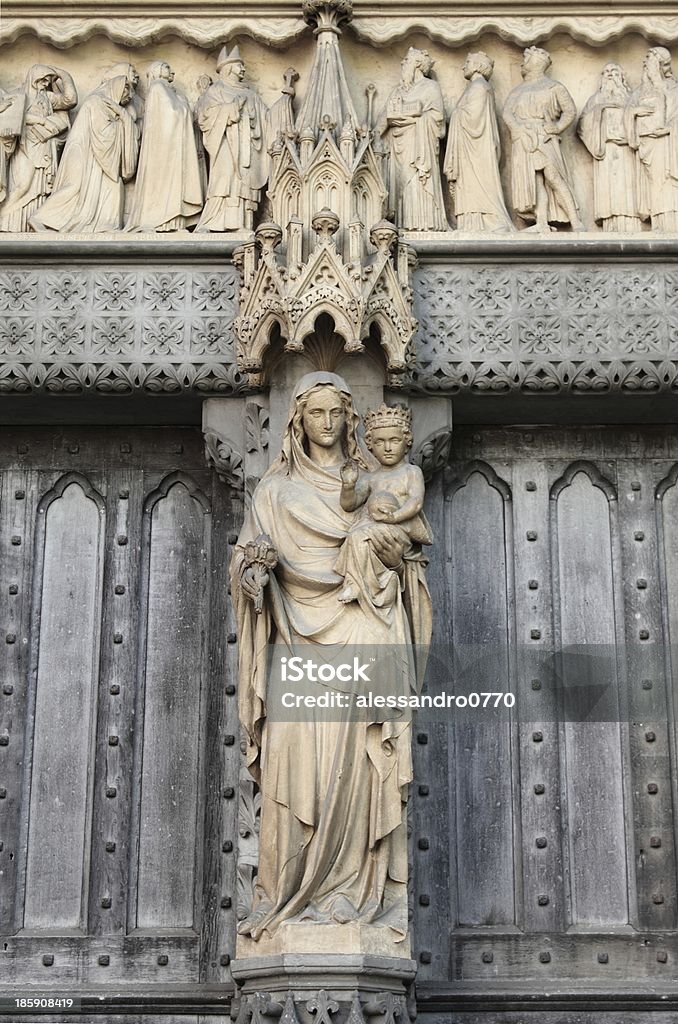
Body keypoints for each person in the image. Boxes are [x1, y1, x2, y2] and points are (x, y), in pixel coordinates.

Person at [230, 372, 432, 941]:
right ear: (298, 420)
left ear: (349, 420)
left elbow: (410, 561)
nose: (326, 424)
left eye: (335, 414)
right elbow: (246, 559)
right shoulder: (273, 493)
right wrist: (252, 572)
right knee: (300, 768)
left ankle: (356, 896)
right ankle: (294, 900)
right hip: (296, 639)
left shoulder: (373, 485)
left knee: (361, 768)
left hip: (364, 625)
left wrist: (395, 558)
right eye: (315, 413)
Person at [336, 403, 432, 612]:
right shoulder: (372, 478)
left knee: (360, 537)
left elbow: (415, 501)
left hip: (399, 530)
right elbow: (349, 504)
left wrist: (394, 517)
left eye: (394, 440)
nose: (387, 448)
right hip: (375, 528)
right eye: (380, 442)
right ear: (370, 445)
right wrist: (348, 485)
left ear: (407, 442)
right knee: (356, 539)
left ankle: (374, 582)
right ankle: (366, 582)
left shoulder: (411, 472)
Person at [30, 74, 139, 233]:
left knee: (113, 187)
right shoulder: (96, 101)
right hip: (87, 156)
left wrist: (123, 116)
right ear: (117, 89)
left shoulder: (109, 106)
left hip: (102, 160)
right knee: (73, 188)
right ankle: (39, 218)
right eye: (124, 96)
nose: (125, 101)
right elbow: (103, 133)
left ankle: (106, 225)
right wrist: (122, 117)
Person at [503, 46, 584, 231]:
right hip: (524, 139)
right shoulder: (518, 90)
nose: (523, 63)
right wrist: (519, 129)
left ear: (535, 63)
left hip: (544, 137)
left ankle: (575, 220)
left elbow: (570, 110)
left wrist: (556, 127)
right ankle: (541, 222)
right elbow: (507, 113)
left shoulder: (553, 87)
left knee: (553, 177)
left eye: (526, 59)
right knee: (535, 179)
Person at [196, 45, 269, 232]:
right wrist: (230, 109)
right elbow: (204, 116)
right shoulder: (216, 90)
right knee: (225, 180)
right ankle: (217, 222)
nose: (243, 69)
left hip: (247, 147)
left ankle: (242, 223)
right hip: (225, 145)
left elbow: (268, 118)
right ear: (228, 68)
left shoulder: (251, 94)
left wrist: (286, 99)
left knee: (244, 182)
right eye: (239, 65)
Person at [125, 61, 203, 232]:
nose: (171, 71)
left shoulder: (165, 90)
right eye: (167, 67)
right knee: (167, 183)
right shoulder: (158, 88)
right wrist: (185, 107)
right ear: (158, 71)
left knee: (174, 183)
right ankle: (162, 221)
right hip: (165, 148)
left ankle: (174, 223)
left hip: (172, 146)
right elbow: (172, 114)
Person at [0, 65, 77, 232]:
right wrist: (40, 120)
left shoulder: (48, 98)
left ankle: (30, 221)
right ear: (34, 78)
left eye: (48, 81)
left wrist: (63, 74)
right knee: (22, 185)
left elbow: (70, 100)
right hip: (25, 146)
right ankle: (4, 218)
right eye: (42, 80)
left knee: (38, 188)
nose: (45, 83)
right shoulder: (19, 95)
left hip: (43, 146)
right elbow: (13, 115)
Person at [444, 51, 513, 232]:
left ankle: (484, 222)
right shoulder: (476, 87)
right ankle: (471, 222)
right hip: (471, 148)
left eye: (468, 62)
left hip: (476, 149)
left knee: (477, 183)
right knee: (471, 183)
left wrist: (454, 114)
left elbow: (473, 119)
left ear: (478, 65)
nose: (463, 66)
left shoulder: (479, 87)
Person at [380, 47, 448, 231]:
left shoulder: (430, 87)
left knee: (418, 182)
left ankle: (424, 224)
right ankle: (401, 224)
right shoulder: (398, 91)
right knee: (400, 185)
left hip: (420, 146)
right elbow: (382, 119)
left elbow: (438, 119)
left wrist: (411, 120)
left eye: (406, 60)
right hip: (398, 148)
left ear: (417, 64)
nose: (403, 63)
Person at [578, 63, 641, 232]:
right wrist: (600, 113)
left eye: (614, 71)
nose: (609, 75)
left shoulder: (631, 98)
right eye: (606, 72)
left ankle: (631, 225)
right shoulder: (596, 99)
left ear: (621, 76)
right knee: (610, 191)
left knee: (628, 189)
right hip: (606, 152)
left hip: (627, 151)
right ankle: (611, 227)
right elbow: (582, 125)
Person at [625, 47, 678, 230]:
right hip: (646, 144)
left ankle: (669, 223)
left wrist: (669, 129)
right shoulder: (639, 91)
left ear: (660, 64)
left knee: (666, 181)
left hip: (666, 142)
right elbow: (628, 113)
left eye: (649, 59)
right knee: (654, 182)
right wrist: (634, 112)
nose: (645, 63)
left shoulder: (672, 87)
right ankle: (658, 222)